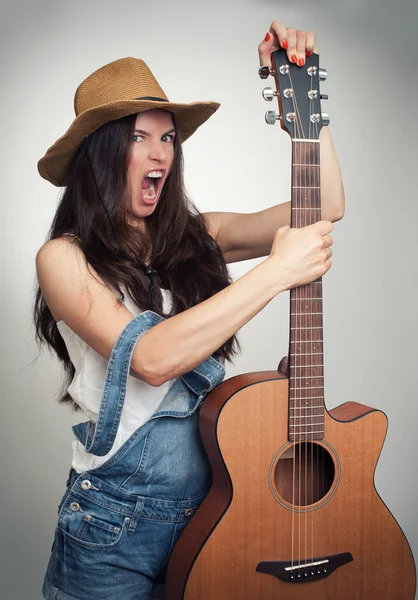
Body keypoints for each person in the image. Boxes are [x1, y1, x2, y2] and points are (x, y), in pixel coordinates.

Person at [34, 19, 344, 600]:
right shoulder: (63, 258)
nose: (161, 154)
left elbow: (324, 204)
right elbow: (151, 358)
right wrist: (276, 272)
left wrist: (302, 113)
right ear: (100, 153)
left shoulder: (199, 235)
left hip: (217, 515)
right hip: (110, 532)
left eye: (168, 138)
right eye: (139, 138)